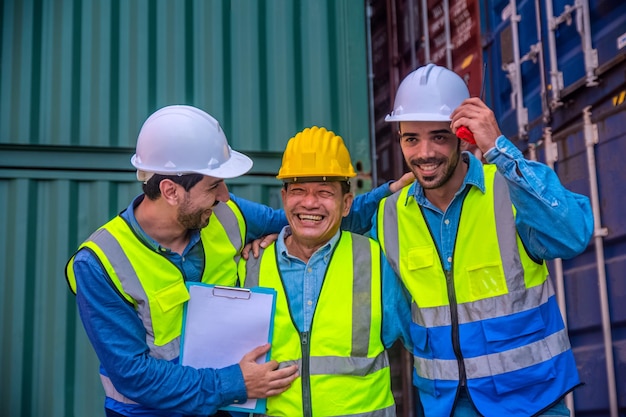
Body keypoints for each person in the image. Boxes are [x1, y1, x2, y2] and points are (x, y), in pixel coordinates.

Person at [65, 105, 411, 417]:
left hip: (222, 410)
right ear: (171, 191)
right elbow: (133, 375)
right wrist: (236, 384)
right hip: (150, 413)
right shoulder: (100, 263)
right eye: (214, 186)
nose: (225, 196)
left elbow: (307, 220)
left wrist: (388, 194)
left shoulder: (226, 216)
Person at [374, 64, 593, 417]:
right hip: (448, 407)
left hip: (533, 402)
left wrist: (499, 149)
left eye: (439, 136)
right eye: (411, 138)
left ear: (462, 136)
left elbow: (572, 236)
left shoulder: (508, 188)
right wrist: (281, 235)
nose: (424, 152)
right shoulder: (389, 216)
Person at [238, 126, 412, 417]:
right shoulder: (249, 266)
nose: (309, 202)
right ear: (283, 199)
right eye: (298, 191)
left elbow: (424, 342)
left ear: (346, 204)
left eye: (324, 192)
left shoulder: (376, 262)